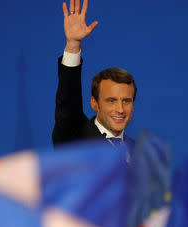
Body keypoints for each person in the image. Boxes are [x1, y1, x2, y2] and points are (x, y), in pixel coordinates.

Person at [52, 0, 136, 150]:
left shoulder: (141, 153)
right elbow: (67, 105)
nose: (120, 109)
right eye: (111, 100)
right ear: (94, 103)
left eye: (126, 101)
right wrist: (73, 45)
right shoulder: (75, 138)